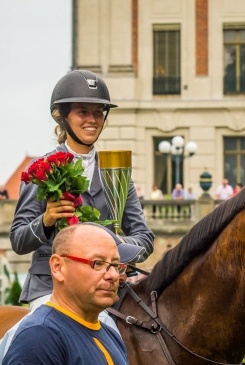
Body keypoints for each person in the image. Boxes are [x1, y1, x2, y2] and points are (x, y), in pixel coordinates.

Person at [10, 69, 154, 311]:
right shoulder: (41, 170)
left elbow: (144, 239)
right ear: (62, 117)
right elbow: (18, 240)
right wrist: (45, 221)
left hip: (106, 289)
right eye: (83, 112)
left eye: (98, 112)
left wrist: (118, 249)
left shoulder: (117, 174)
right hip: (51, 286)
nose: (92, 119)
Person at [1, 223, 138, 365]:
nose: (113, 275)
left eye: (116, 265)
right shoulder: (39, 336)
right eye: (97, 263)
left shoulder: (111, 335)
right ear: (58, 267)